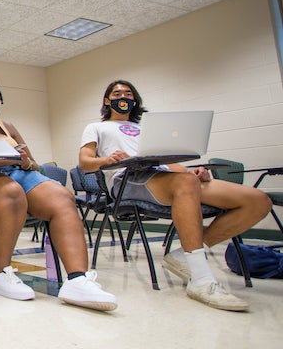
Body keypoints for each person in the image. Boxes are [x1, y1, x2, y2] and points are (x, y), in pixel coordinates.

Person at [79, 79, 272, 312]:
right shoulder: (96, 127)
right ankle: (201, 280)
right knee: (184, 182)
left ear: (135, 100)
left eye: (128, 93)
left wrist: (191, 171)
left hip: (167, 175)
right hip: (127, 178)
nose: (123, 97)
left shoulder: (147, 127)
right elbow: (85, 163)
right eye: (117, 93)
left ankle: (183, 255)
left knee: (257, 201)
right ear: (107, 100)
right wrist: (105, 160)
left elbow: (165, 163)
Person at [0, 68, 118, 311]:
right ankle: (1, 274)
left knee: (63, 196)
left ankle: (77, 280)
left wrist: (23, 161)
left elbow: (34, 164)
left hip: (15, 174)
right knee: (9, 191)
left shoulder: (6, 126)